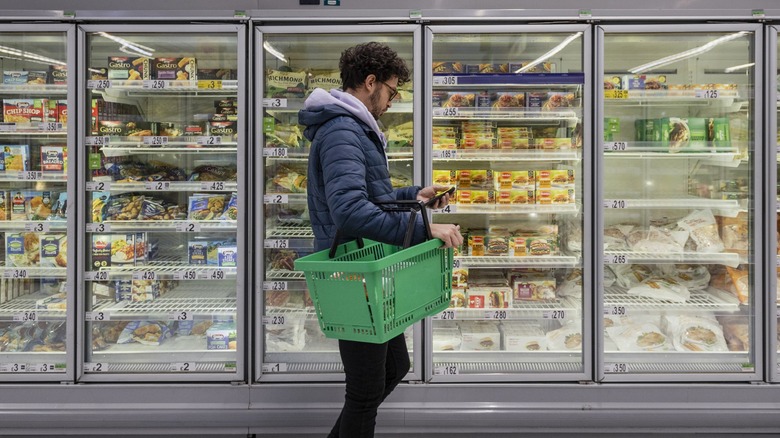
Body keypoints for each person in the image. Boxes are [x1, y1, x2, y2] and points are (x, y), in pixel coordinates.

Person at [298, 42, 463, 438]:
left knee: (395, 369)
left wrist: (413, 196)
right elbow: (351, 211)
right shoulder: (342, 129)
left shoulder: (354, 126)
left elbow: (368, 197)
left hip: (368, 266)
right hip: (353, 273)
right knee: (365, 392)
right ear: (370, 82)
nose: (391, 100)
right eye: (391, 90)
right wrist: (426, 229)